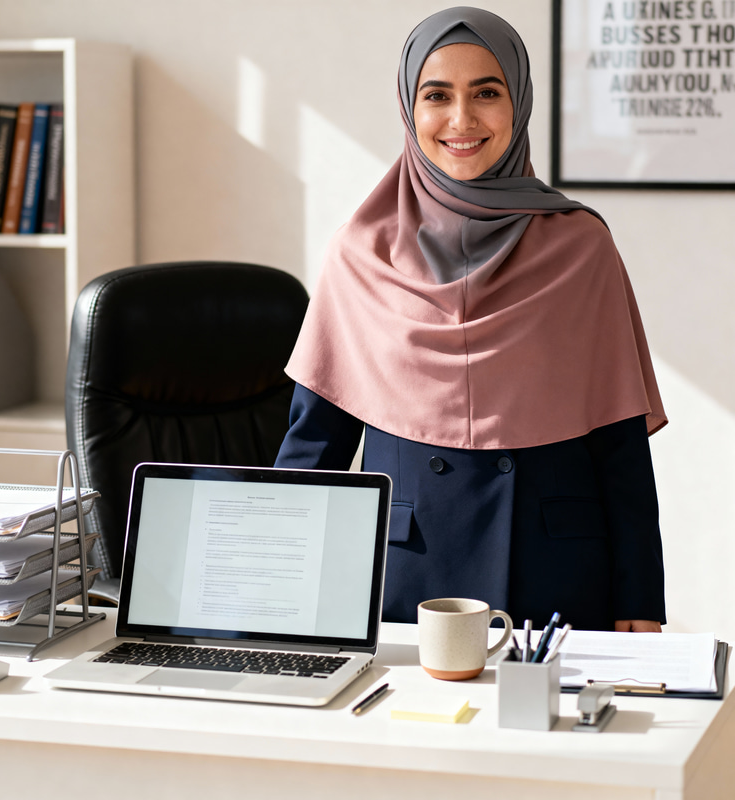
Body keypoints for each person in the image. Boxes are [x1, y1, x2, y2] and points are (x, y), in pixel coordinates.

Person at [274, 7, 667, 633]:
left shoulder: (582, 245)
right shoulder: (361, 251)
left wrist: (641, 604)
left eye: (487, 92)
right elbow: (315, 447)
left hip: (558, 579)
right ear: (409, 107)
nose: (462, 120)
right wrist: (273, 591)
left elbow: (618, 448)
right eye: (437, 95)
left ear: (520, 102)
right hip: (405, 580)